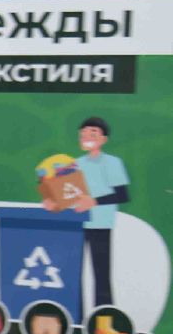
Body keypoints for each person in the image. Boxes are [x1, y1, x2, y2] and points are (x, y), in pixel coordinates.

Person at [43, 117, 129, 311]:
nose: (87, 136)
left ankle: (103, 319)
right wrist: (53, 202)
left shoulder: (112, 163)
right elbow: (66, 196)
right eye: (84, 133)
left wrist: (94, 201)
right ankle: (76, 318)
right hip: (76, 224)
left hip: (100, 224)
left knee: (101, 274)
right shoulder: (74, 164)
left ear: (103, 139)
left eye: (93, 133)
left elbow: (122, 194)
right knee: (73, 274)